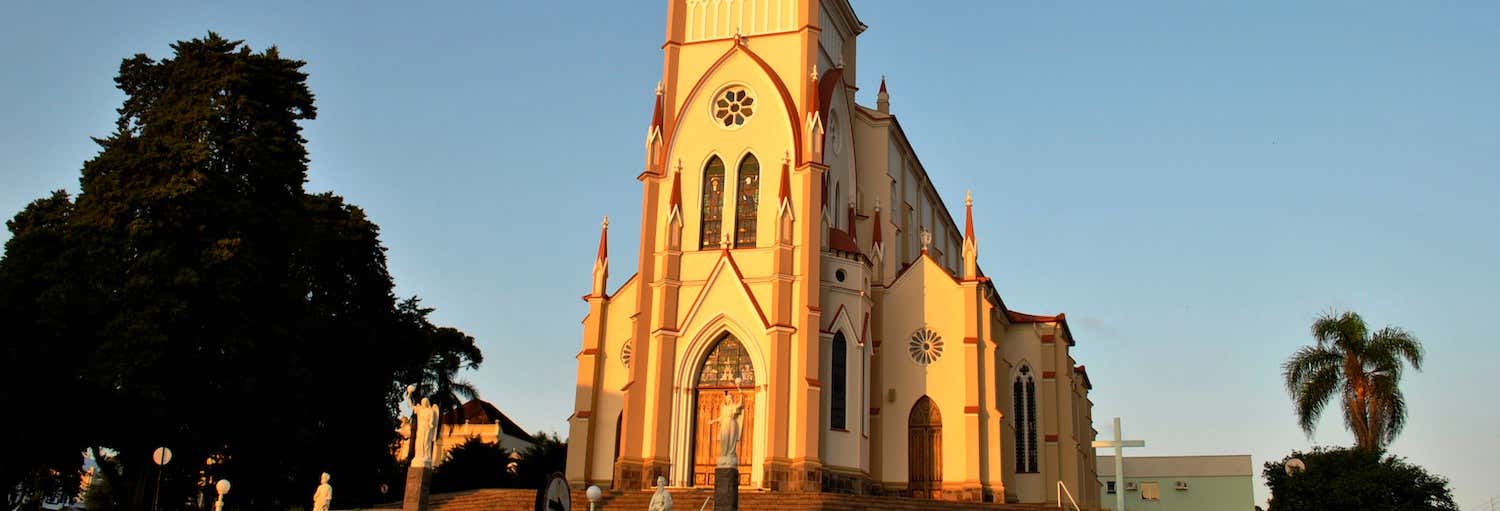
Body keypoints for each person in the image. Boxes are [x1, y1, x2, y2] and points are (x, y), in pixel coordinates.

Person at [406, 385, 442, 467]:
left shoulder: (431, 411)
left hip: (427, 428)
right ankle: (418, 456)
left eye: (425, 402)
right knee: (419, 441)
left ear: (427, 402)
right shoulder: (420, 409)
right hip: (421, 428)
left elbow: (432, 421)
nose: (424, 403)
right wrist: (409, 394)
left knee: (426, 442)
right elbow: (410, 405)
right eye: (423, 402)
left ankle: (426, 456)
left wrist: (431, 424)